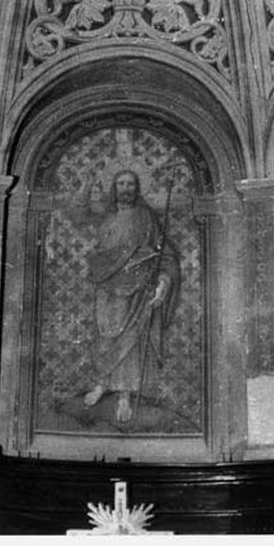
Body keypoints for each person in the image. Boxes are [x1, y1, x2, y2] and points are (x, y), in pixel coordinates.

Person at [68, 169, 180, 422]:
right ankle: (101, 383)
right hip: (107, 284)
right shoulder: (106, 215)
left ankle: (124, 396)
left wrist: (162, 283)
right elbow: (76, 216)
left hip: (137, 285)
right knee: (104, 337)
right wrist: (86, 185)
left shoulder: (146, 217)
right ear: (114, 187)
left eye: (130, 184)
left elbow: (166, 255)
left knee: (129, 340)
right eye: (121, 183)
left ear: (137, 188)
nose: (126, 188)